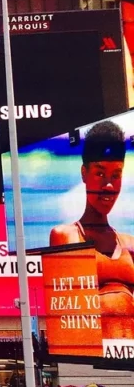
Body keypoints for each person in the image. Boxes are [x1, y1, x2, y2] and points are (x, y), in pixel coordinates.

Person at [49, 120, 134, 340]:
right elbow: (66, 312)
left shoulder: (130, 244)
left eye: (116, 175)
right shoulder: (66, 236)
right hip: (91, 351)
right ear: (84, 173)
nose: (109, 185)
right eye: (100, 174)